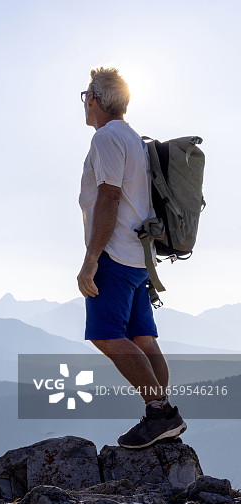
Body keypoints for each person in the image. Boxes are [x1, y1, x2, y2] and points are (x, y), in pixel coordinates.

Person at [77, 66, 187, 449]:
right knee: (143, 338)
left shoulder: (107, 137)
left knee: (106, 335)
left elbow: (109, 197)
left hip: (116, 255)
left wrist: (91, 259)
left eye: (85, 96)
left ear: (95, 99)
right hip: (141, 256)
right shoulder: (134, 139)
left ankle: (159, 413)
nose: (84, 103)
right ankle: (164, 417)